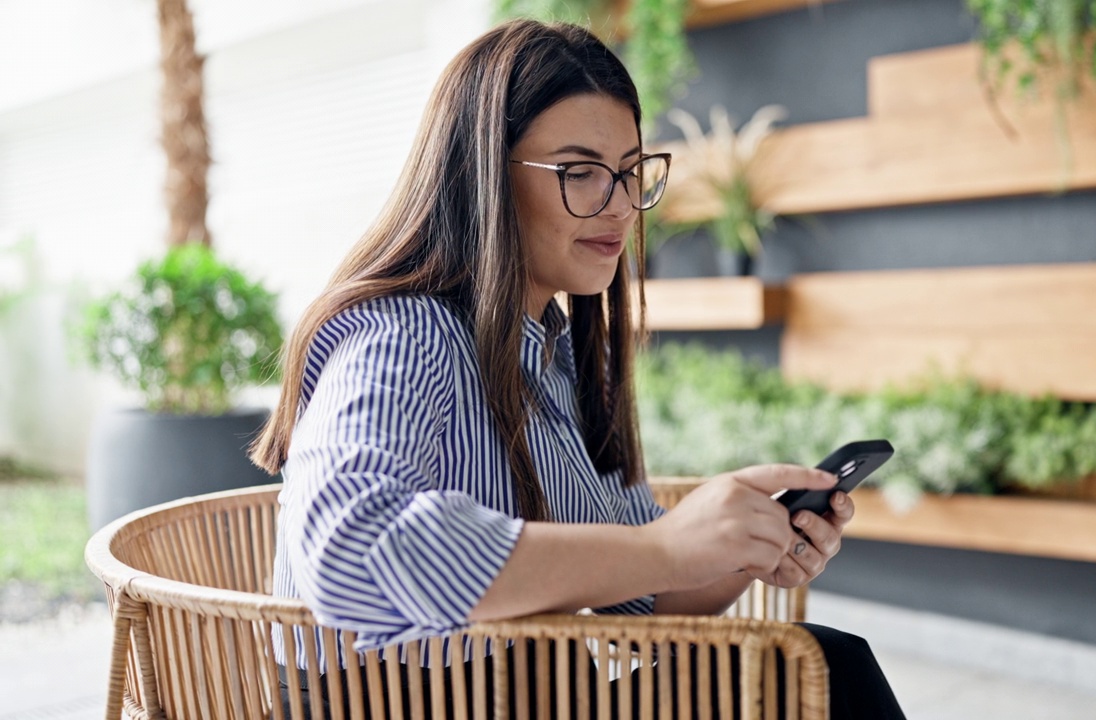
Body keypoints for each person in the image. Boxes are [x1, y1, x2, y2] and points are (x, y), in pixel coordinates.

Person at [251, 18, 904, 720]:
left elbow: (648, 596)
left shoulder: (550, 353)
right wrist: (664, 545)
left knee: (815, 664)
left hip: (528, 695)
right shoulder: (403, 333)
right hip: (407, 704)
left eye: (628, 172)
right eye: (580, 172)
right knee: (819, 669)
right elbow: (348, 551)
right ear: (483, 175)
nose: (620, 205)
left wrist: (742, 547)